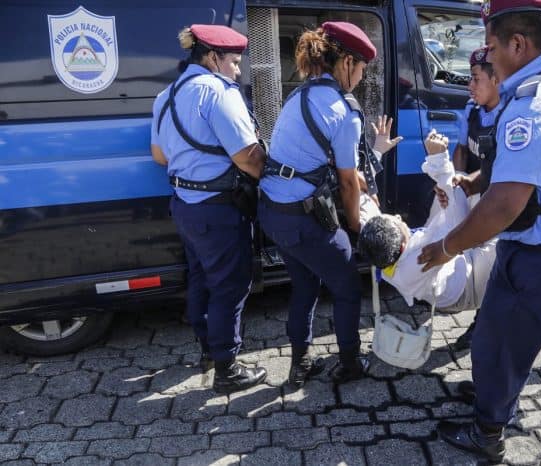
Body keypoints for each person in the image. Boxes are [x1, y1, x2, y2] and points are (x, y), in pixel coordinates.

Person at [418, 0, 541, 461]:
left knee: (497, 340)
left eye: (489, 47)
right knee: (505, 338)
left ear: (517, 43)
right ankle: (495, 394)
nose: (486, 57)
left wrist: (446, 247)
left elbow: (506, 204)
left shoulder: (535, 104)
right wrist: (471, 181)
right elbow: (521, 170)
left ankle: (487, 434)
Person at [257, 21, 401, 388]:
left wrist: (374, 158)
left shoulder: (299, 96)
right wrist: (355, 225)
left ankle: (300, 363)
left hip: (272, 213)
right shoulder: (343, 111)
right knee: (347, 286)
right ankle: (350, 364)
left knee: (304, 284)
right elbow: (350, 182)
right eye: (361, 69)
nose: (361, 77)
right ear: (347, 62)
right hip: (302, 220)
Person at [150, 25, 268, 394]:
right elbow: (250, 160)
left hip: (184, 205)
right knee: (230, 285)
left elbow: (159, 156)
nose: (237, 70)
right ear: (212, 57)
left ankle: (208, 351)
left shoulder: (165, 97)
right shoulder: (219, 93)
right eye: (233, 62)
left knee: (201, 278)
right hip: (218, 210)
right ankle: (227, 369)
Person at [446, 46, 541, 371]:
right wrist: (458, 181)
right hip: (486, 199)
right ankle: (482, 325)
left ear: (496, 79)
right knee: (492, 272)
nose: (470, 86)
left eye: (476, 79)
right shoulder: (473, 111)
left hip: (515, 209)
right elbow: (465, 153)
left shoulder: (515, 114)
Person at [359, 131, 497, 315]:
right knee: (511, 236)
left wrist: (377, 150)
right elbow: (458, 230)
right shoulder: (418, 260)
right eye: (399, 223)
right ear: (402, 244)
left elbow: (361, 193)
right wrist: (439, 158)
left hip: (450, 261)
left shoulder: (376, 240)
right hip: (468, 285)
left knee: (453, 189)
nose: (399, 217)